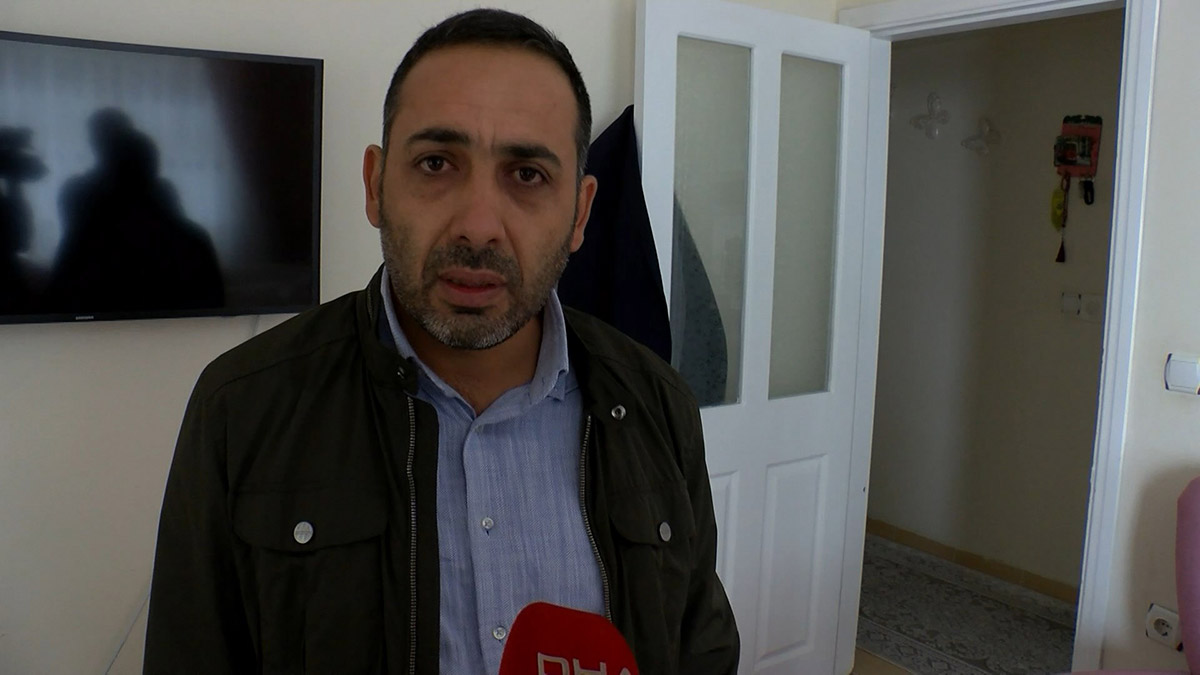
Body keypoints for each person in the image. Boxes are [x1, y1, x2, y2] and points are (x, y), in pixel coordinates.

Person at [144, 8, 738, 675]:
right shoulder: (241, 408)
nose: (478, 226)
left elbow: (701, 651)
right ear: (376, 186)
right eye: (435, 163)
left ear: (580, 212)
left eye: (527, 174)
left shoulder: (659, 404)